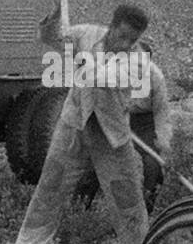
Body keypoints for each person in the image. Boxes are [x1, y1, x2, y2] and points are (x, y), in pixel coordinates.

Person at [0, 3, 152, 244]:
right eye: (123, 35)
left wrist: (87, 67)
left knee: (126, 196)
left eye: (133, 39)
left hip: (111, 136)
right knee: (50, 186)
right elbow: (49, 37)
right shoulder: (86, 34)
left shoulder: (138, 59)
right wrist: (56, 12)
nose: (126, 43)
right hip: (73, 127)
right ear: (112, 26)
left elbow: (111, 79)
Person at [74, 41, 173, 213]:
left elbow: (162, 114)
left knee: (153, 166)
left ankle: (145, 212)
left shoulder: (155, 79)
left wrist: (163, 143)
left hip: (144, 124)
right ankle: (79, 209)